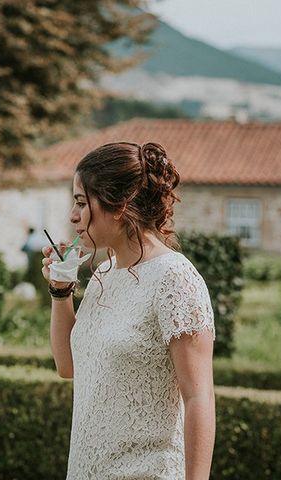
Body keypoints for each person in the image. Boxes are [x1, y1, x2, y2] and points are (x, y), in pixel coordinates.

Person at [41, 142, 216, 480]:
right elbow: (68, 366)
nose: (73, 216)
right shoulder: (105, 273)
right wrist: (61, 291)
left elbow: (199, 397)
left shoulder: (175, 279)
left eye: (81, 202)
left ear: (118, 204)